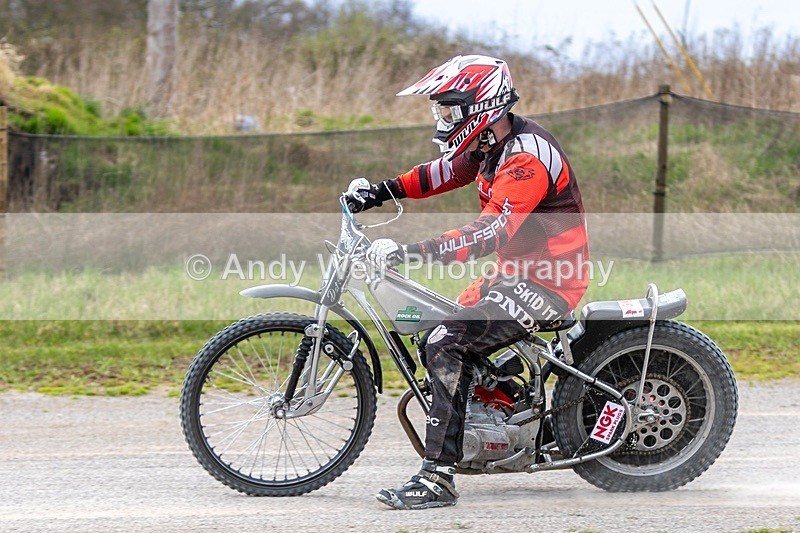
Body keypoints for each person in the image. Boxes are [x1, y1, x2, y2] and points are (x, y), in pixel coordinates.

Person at [345, 55, 589, 510]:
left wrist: (407, 251)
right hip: (514, 274)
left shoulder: (525, 159)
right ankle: (504, 419)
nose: (442, 119)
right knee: (430, 328)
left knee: (445, 343)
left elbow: (491, 232)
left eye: (449, 110)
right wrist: (380, 191)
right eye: (440, 110)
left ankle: (438, 478)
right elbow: (442, 173)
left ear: (483, 105)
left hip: (548, 281)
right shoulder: (489, 144)